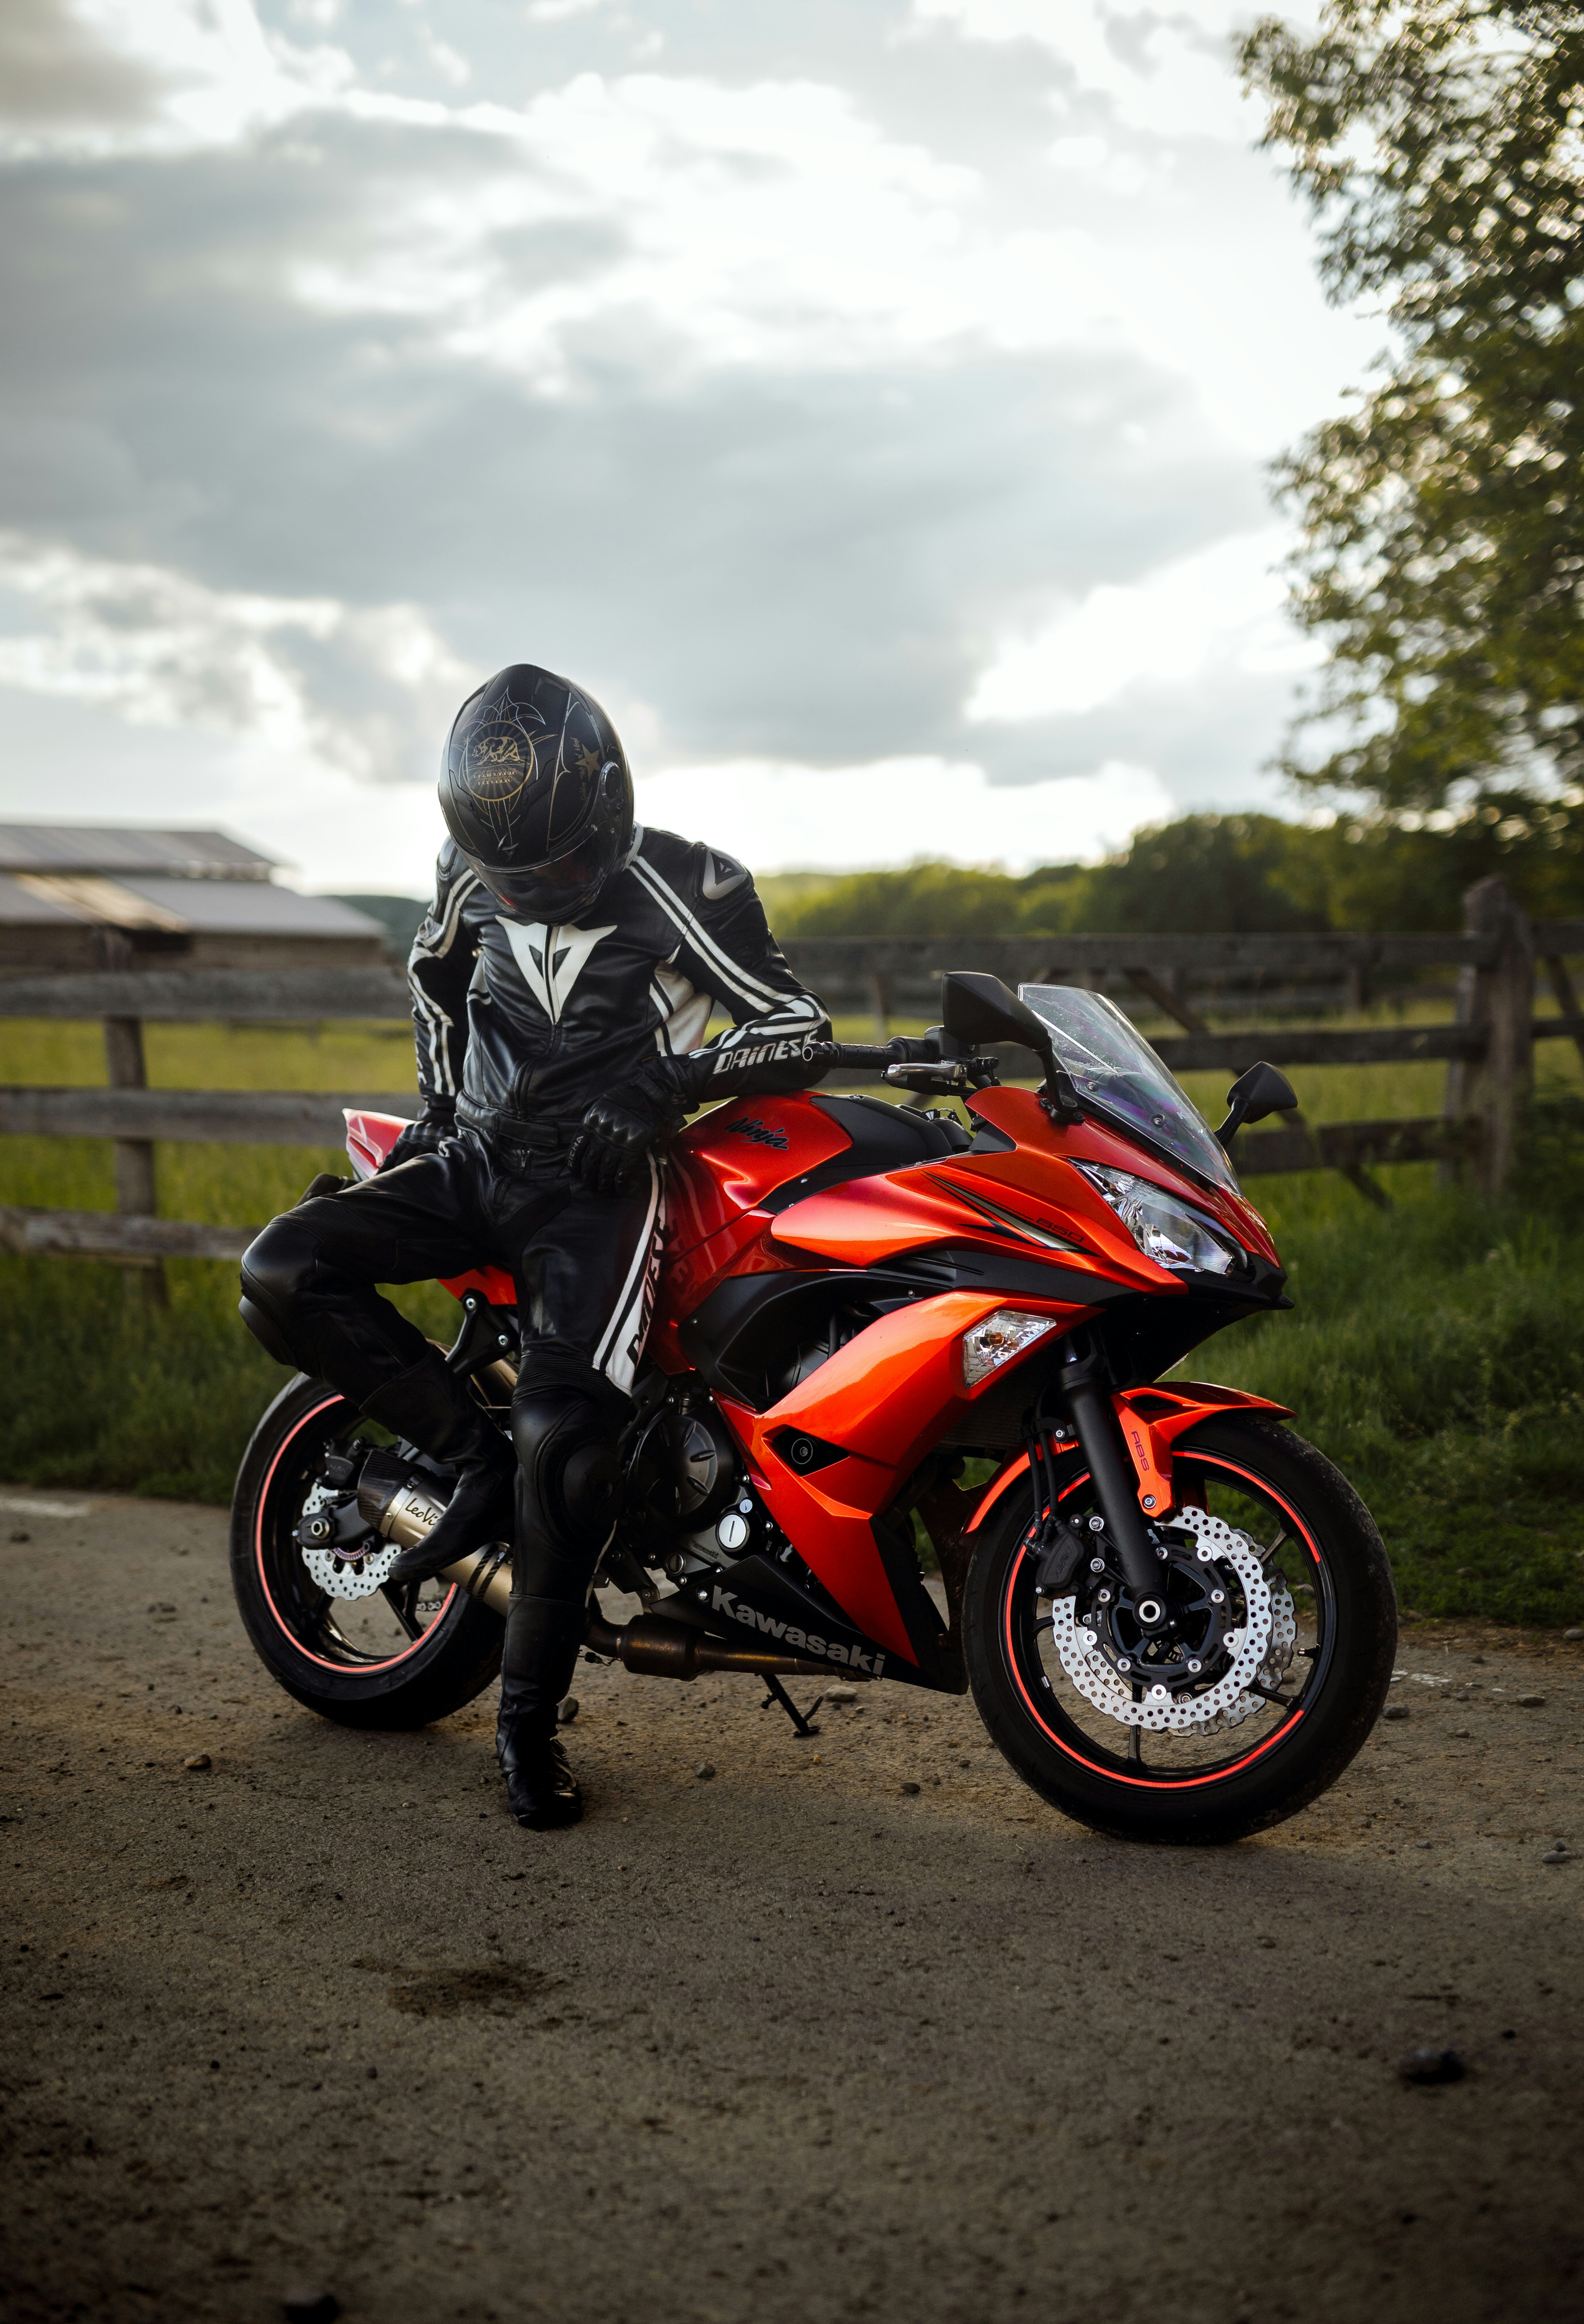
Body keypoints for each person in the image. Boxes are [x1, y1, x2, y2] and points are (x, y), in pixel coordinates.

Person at [237, 663, 830, 1829]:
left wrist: (664, 1087)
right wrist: (440, 1113)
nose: (535, 891)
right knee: (278, 1271)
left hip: (596, 1197)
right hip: (470, 1159)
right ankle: (469, 1457)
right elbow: (433, 978)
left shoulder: (694, 883)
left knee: (568, 1451)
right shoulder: (476, 867)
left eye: (558, 866)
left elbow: (799, 1028)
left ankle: (524, 1731)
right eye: (514, 876)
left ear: (608, 807)